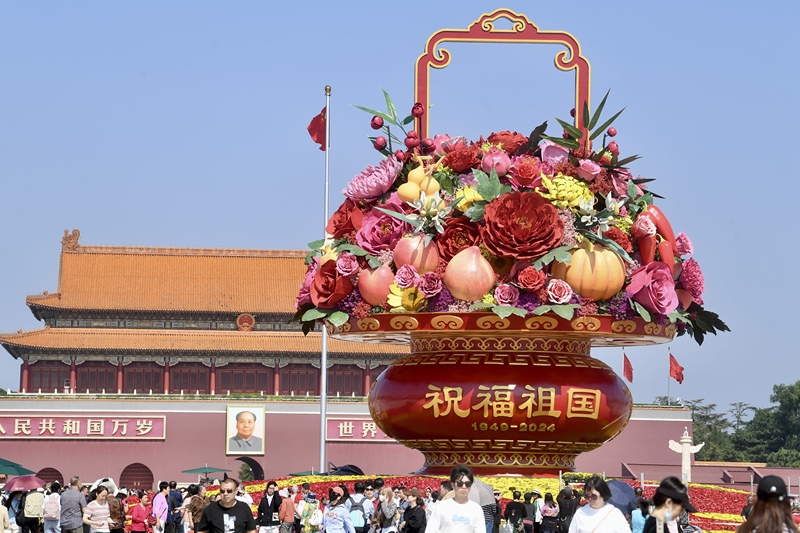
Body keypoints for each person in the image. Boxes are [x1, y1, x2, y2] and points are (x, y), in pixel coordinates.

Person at [426, 465, 484, 533]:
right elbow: (431, 530)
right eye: (460, 483)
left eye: (467, 484)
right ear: (453, 485)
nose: (464, 487)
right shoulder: (441, 507)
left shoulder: (476, 509)